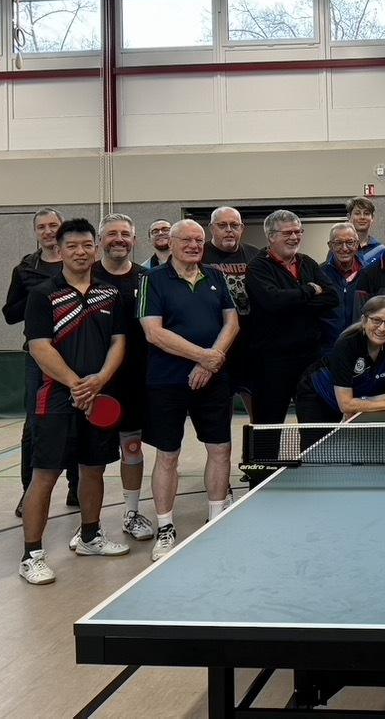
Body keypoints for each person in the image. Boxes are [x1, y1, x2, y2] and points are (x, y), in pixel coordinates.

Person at [19, 218, 128, 584]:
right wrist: (75, 384)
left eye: (86, 246)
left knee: (94, 468)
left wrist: (98, 381)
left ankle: (91, 536)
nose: (80, 252)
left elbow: (118, 342)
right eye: (72, 246)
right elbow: (39, 346)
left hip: (98, 395)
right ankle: (31, 554)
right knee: (45, 475)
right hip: (56, 399)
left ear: (95, 249)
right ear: (59, 250)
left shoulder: (110, 293)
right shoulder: (42, 293)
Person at [138, 219, 239, 561]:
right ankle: (166, 526)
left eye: (199, 240)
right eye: (187, 240)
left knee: (221, 450)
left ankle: (216, 518)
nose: (194, 245)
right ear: (172, 241)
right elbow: (153, 332)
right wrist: (202, 358)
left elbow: (232, 322)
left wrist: (212, 363)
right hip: (167, 382)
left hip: (212, 381)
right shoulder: (152, 279)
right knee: (167, 456)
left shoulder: (215, 276)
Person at [245, 210, 339, 454]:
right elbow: (272, 301)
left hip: (309, 359)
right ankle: (261, 482)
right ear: (271, 236)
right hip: (271, 363)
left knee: (314, 424)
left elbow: (331, 297)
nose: (295, 237)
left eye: (298, 231)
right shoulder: (257, 267)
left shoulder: (307, 262)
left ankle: (316, 474)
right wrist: (309, 290)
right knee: (268, 427)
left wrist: (292, 302)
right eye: (288, 232)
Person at [2, 206, 74, 515]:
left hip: (78, 352)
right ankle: (28, 492)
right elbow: (9, 314)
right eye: (42, 226)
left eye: (53, 225)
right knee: (34, 425)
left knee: (79, 420)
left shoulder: (79, 262)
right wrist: (36, 296)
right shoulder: (25, 269)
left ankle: (76, 486)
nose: (47, 231)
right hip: (39, 358)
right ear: (36, 232)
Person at [89, 214, 155, 541]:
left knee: (132, 448)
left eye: (125, 234)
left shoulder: (147, 278)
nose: (119, 239)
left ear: (134, 240)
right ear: (100, 241)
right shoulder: (85, 277)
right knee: (93, 457)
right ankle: (90, 524)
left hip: (135, 381)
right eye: (112, 234)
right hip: (97, 381)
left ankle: (131, 512)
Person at [296, 295, 385, 423]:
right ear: (364, 320)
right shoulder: (347, 343)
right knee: (317, 443)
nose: (382, 328)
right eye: (376, 320)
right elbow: (345, 405)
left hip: (359, 397)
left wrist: (360, 402)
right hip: (318, 396)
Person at [202, 206, 262, 420]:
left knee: (260, 414)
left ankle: (258, 453)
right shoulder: (199, 255)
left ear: (242, 228)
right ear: (211, 228)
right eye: (222, 225)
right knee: (218, 417)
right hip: (215, 345)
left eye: (234, 225)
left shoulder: (256, 255)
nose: (229, 230)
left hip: (250, 346)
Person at [321, 221, 366, 350]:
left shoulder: (368, 274)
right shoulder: (319, 274)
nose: (345, 248)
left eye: (350, 242)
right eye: (338, 243)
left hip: (361, 347)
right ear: (330, 245)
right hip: (328, 349)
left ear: (357, 244)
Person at [346, 196, 385, 264]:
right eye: (357, 213)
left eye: (366, 213)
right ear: (349, 217)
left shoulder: (381, 250)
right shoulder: (340, 248)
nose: (362, 217)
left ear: (372, 218)